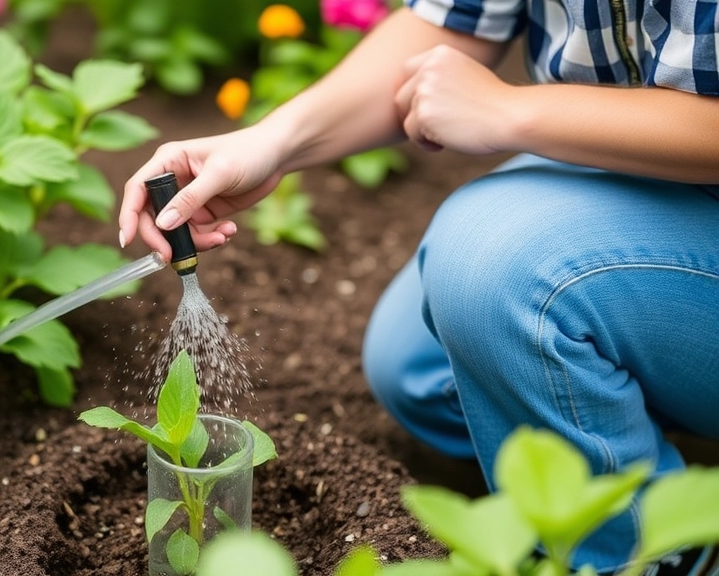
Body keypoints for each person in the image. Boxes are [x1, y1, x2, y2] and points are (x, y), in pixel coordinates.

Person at [118, 1, 719, 574]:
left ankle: (644, 553)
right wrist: (272, 142)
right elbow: (452, 21)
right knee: (419, 369)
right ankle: (622, 437)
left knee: (494, 274)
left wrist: (509, 111)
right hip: (624, 168)